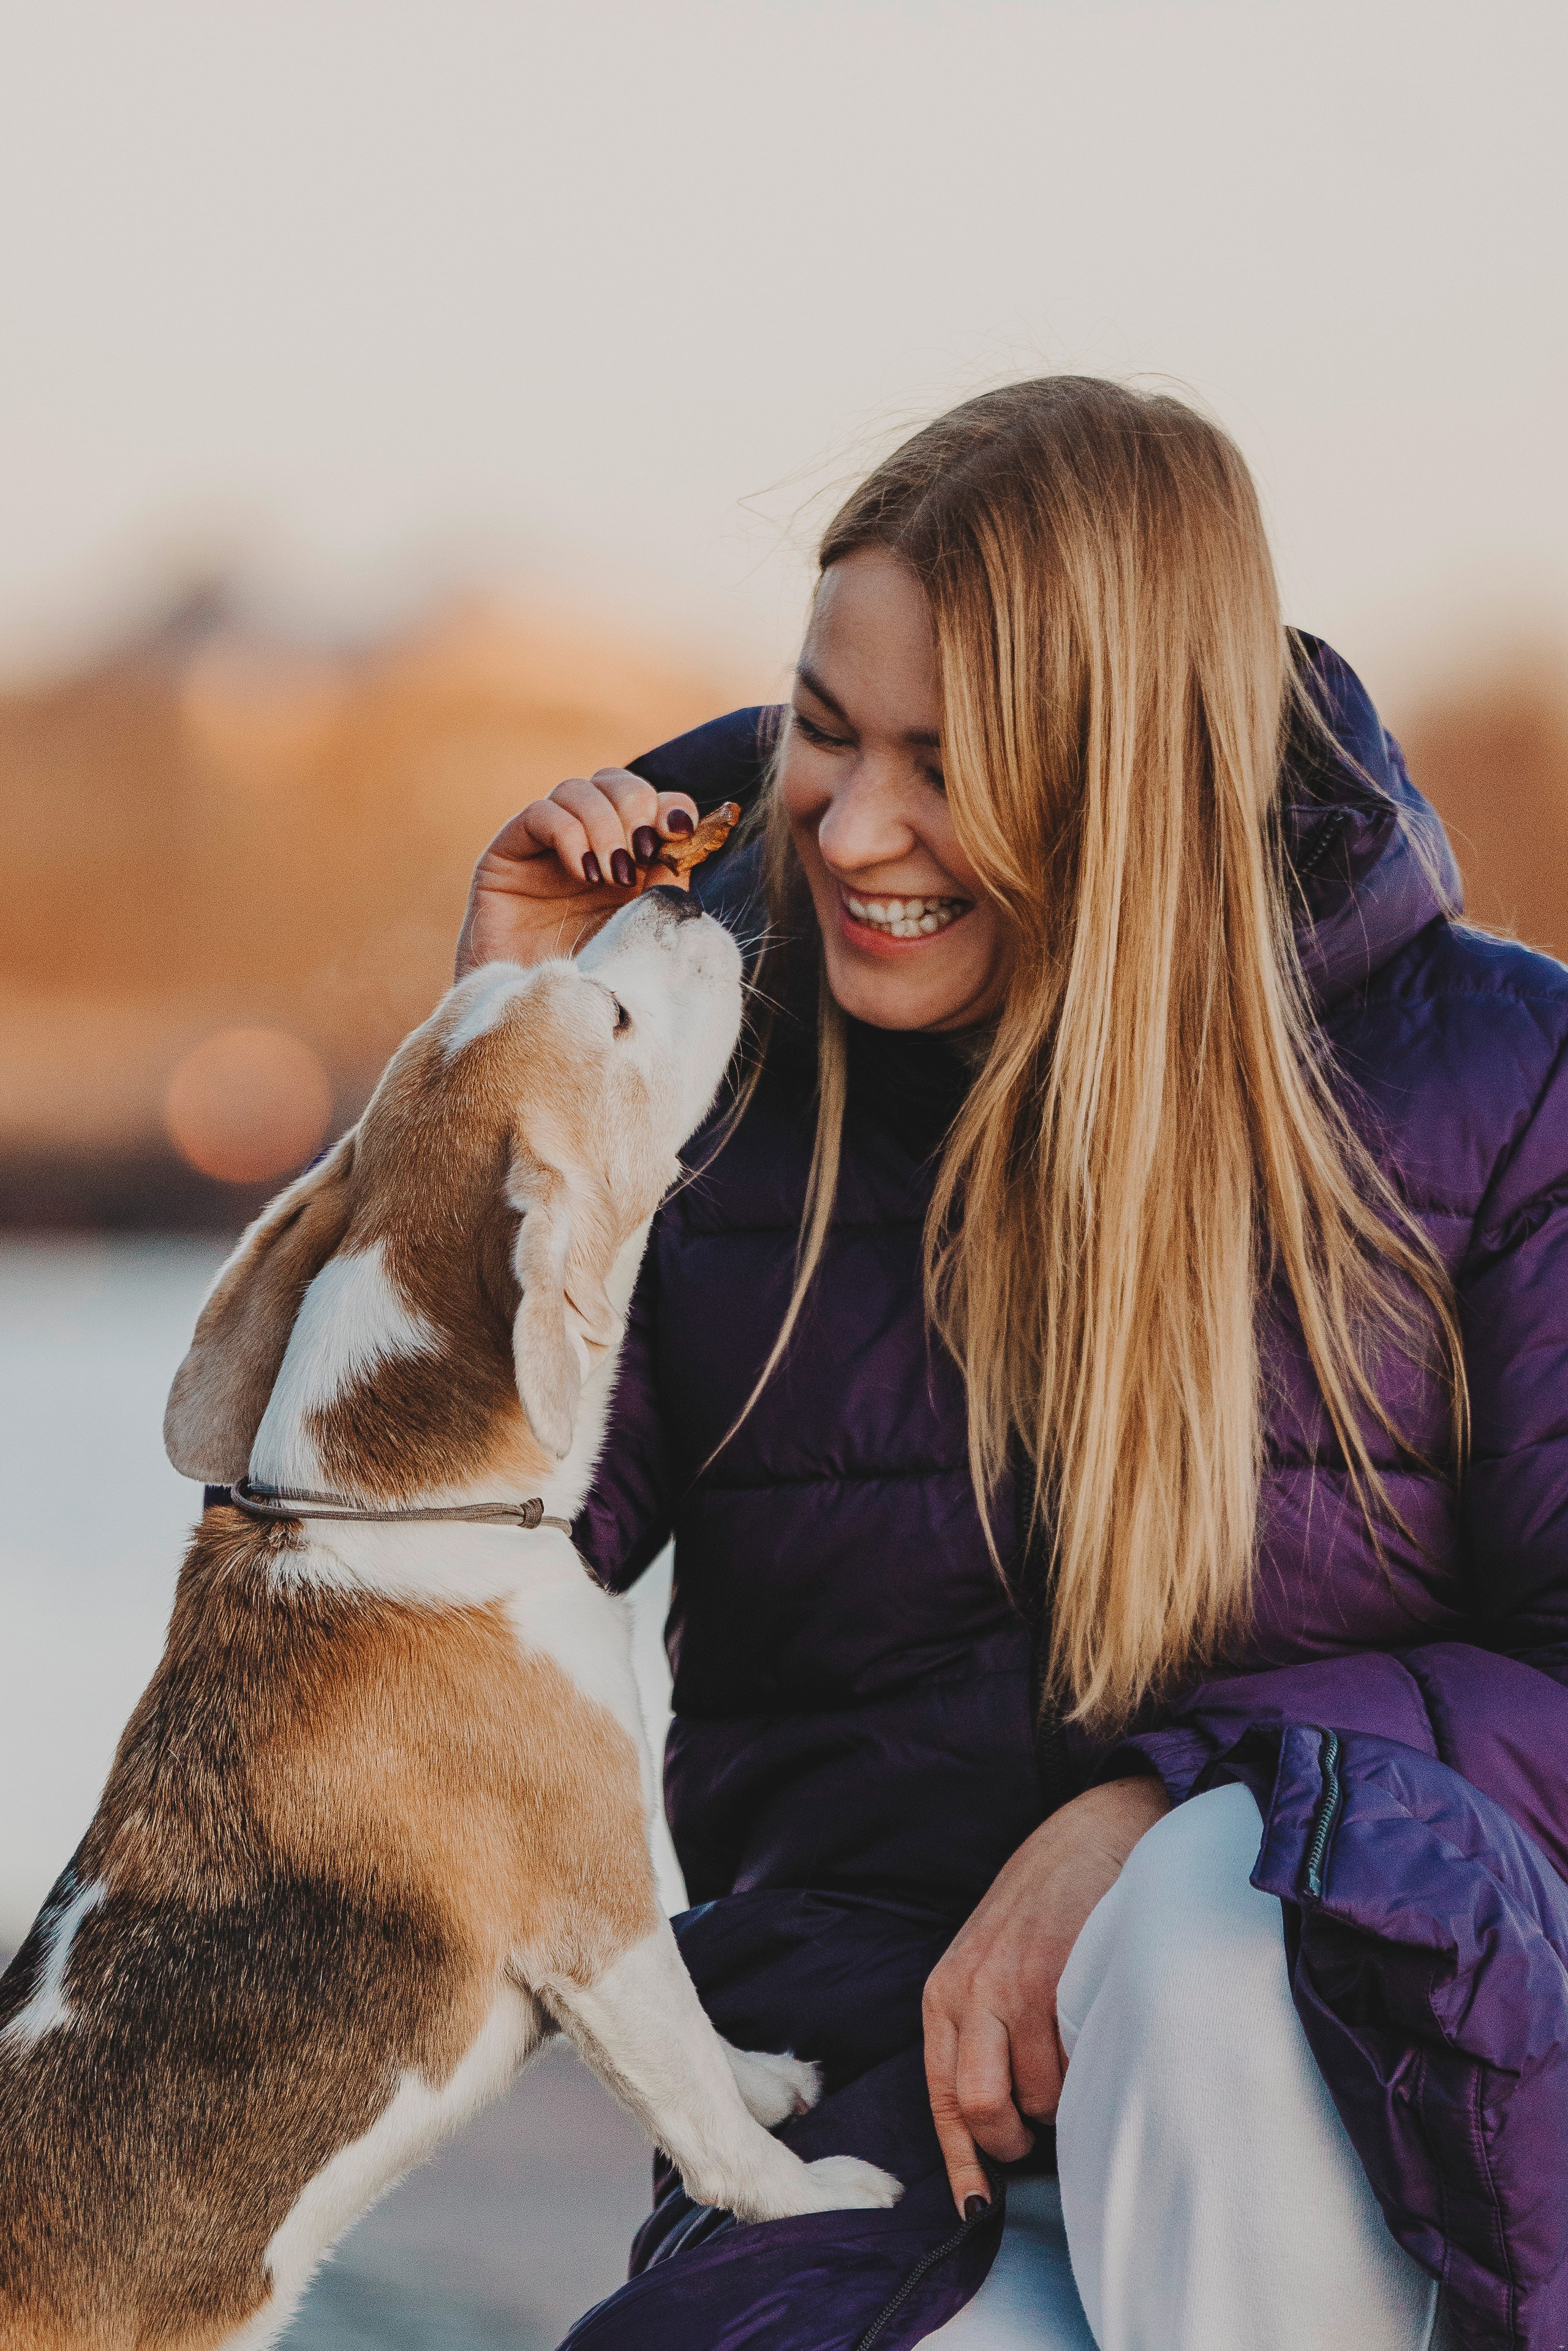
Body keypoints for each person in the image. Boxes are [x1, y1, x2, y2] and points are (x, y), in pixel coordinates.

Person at [455, 378, 1568, 2351]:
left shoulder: (1497, 1083)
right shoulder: (704, 1079)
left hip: (1386, 2131)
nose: (854, 827)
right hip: (885, 2154)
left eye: (946, 765)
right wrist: (507, 1056)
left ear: (1127, 771)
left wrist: (1167, 1805)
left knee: (1225, 1911)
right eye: (822, 729)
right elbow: (434, 1570)